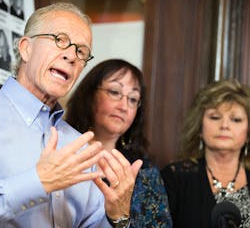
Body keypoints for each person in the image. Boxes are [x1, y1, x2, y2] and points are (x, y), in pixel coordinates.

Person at [0, 2, 142, 227]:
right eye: (60, 40)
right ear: (25, 48)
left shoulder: (80, 148)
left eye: (81, 51)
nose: (71, 56)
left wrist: (118, 217)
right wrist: (37, 183)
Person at [160, 79, 250, 228]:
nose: (224, 125)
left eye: (235, 119)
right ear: (199, 127)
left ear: (249, 132)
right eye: (215, 117)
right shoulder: (174, 178)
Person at [66, 59, 173, 227]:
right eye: (115, 92)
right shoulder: (62, 148)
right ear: (90, 95)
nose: (124, 106)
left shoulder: (144, 171)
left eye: (133, 99)